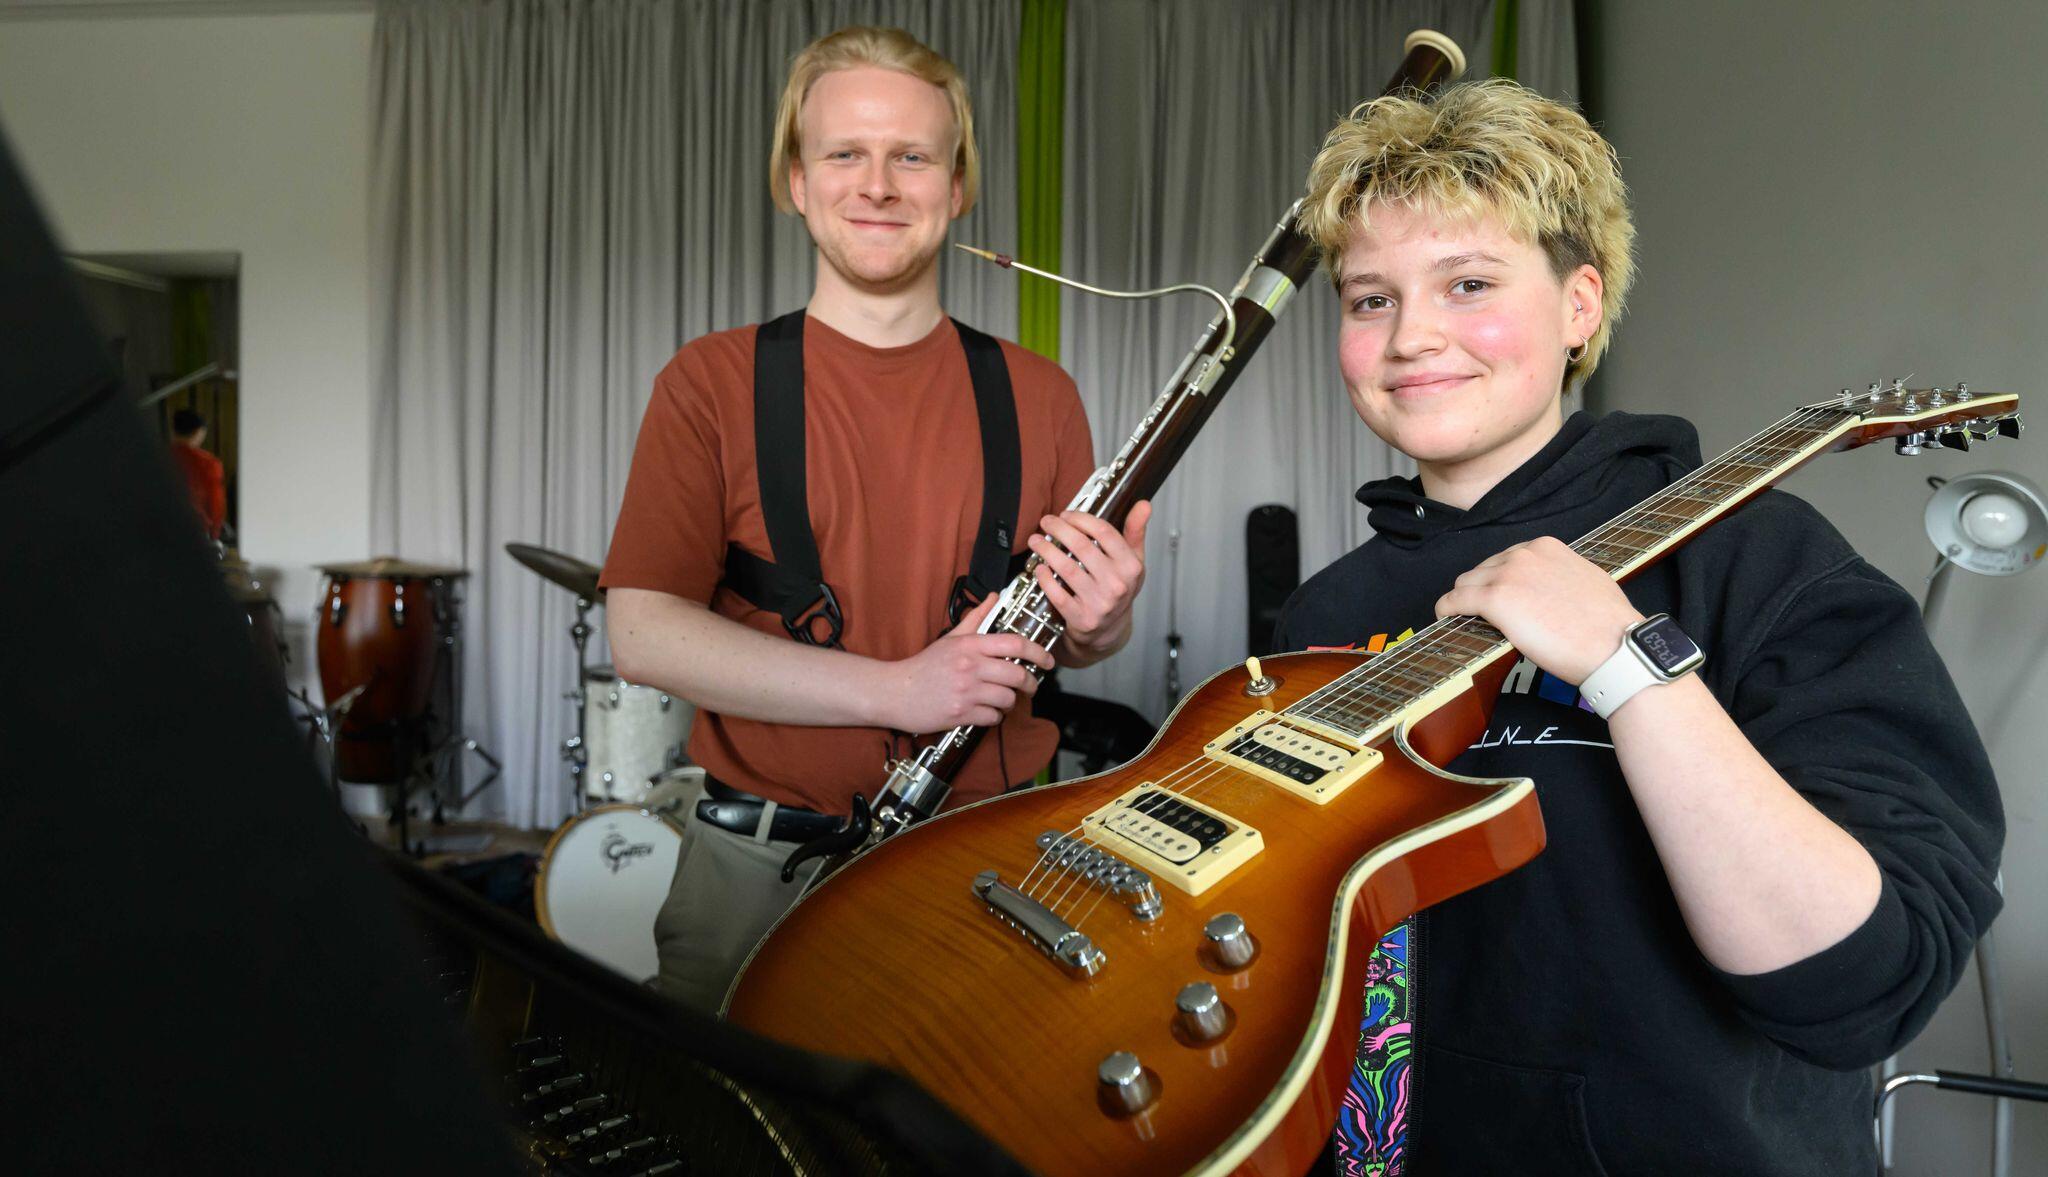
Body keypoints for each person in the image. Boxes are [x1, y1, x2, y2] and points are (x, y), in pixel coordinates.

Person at [1272, 79, 2003, 1174]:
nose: (1410, 335)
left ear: (1579, 306)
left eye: (1468, 283)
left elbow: (1863, 987)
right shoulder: (1324, 610)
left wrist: (1626, 663)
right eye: (1369, 298)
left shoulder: (1762, 562)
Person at [601, 26, 1150, 1012]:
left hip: (987, 866)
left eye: (912, 157)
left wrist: (1102, 622)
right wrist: (899, 689)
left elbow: (1070, 642)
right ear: (795, 182)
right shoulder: (708, 382)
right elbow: (640, 634)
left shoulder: (1042, 395)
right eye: (845, 153)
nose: (879, 185)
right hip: (754, 874)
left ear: (958, 186)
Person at [168, 406, 225, 539]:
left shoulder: (157, 457)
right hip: (196, 529)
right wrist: (215, 533)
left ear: (174, 430)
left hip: (161, 528)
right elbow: (216, 502)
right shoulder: (208, 463)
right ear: (199, 432)